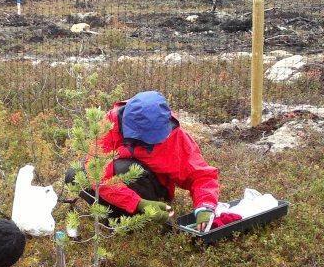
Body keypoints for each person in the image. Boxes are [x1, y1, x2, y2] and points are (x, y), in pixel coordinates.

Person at [66, 90, 220, 229]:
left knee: (125, 169)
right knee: (75, 175)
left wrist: (205, 207)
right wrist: (138, 203)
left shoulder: (174, 135)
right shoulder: (108, 126)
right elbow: (96, 173)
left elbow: (200, 175)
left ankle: (135, 218)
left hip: (153, 186)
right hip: (123, 188)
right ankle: (118, 218)